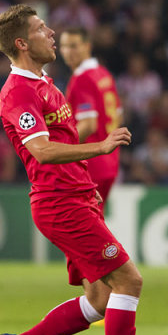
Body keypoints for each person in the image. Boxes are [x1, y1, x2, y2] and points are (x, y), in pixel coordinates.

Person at [0, 4, 166, 335]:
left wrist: (88, 184)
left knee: (101, 299)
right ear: (22, 43)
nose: (50, 32)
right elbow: (41, 151)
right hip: (60, 205)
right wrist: (100, 145)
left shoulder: (45, 81)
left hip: (77, 197)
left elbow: (63, 141)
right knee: (129, 281)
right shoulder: (17, 92)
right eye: (40, 29)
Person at [59, 27, 124, 204]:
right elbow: (118, 116)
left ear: (87, 46)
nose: (68, 51)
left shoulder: (82, 79)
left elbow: (88, 125)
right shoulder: (103, 74)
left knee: (78, 225)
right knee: (94, 221)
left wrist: (60, 151)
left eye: (74, 46)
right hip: (110, 164)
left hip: (91, 166)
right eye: (64, 46)